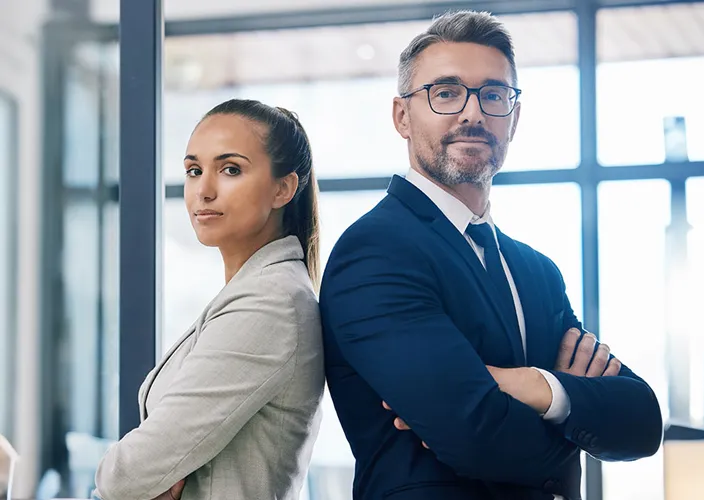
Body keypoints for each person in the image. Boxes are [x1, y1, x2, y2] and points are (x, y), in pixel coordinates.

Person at [319, 10, 663, 500]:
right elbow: (475, 436)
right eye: (446, 93)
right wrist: (572, 418)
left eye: (494, 95)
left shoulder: (537, 272)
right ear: (402, 116)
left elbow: (642, 422)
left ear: (514, 118)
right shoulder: (374, 252)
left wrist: (534, 386)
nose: (473, 113)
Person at [93, 99, 325, 500]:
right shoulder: (252, 291)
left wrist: (137, 478)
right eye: (194, 171)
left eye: (231, 169)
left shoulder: (270, 304)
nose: (204, 190)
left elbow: (125, 476)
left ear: (283, 188)